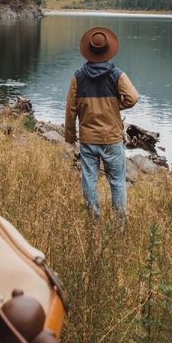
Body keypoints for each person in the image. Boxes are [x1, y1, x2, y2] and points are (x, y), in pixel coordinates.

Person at [64, 26, 139, 217]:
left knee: (89, 179)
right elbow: (133, 97)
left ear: (88, 51)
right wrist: (115, 106)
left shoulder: (77, 77)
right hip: (112, 138)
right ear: (108, 51)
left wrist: (70, 136)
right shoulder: (117, 74)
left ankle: (94, 219)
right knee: (117, 181)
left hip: (88, 139)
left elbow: (71, 109)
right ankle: (119, 224)